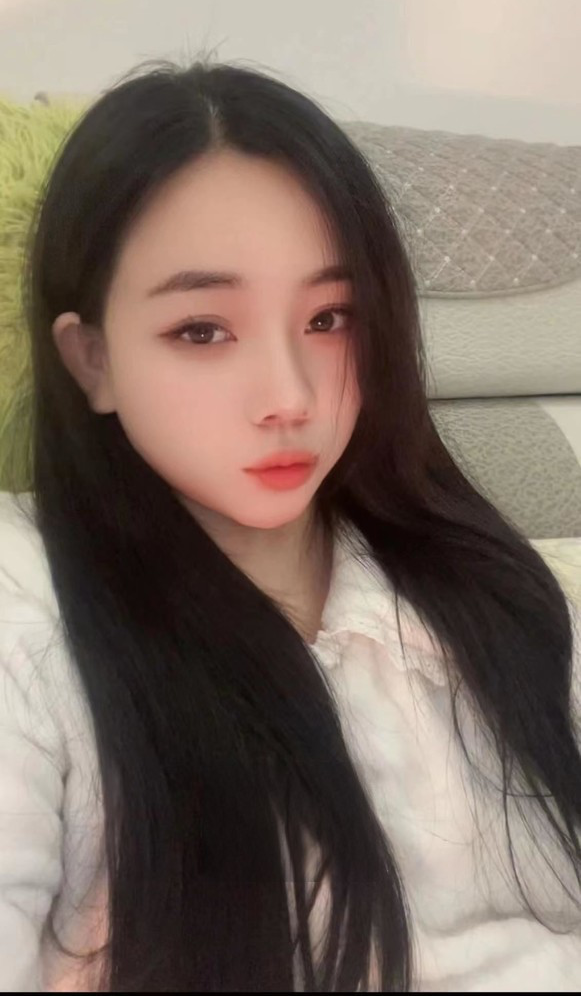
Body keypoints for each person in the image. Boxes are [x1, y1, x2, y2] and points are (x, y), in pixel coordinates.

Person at [0, 55, 580, 992]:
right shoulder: (26, 608)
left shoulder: (487, 583)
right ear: (92, 360)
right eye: (202, 330)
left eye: (330, 317)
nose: (289, 396)